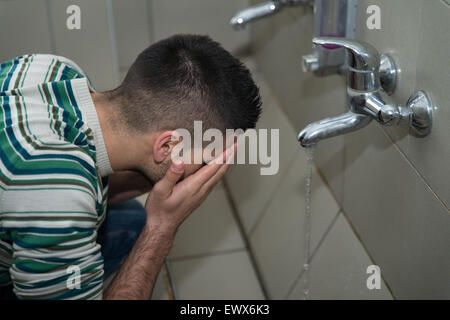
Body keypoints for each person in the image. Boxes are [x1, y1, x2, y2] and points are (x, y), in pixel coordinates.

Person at [0, 34, 261, 299]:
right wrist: (162, 227)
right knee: (142, 229)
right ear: (168, 146)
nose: (206, 168)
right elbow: (59, 194)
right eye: (206, 158)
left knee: (131, 220)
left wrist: (173, 176)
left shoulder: (51, 70)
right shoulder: (59, 193)